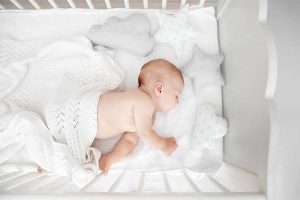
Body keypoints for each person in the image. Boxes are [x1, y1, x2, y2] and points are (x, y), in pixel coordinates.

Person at [97, 58, 184, 174]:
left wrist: (109, 159)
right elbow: (146, 134)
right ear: (159, 89)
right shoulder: (142, 100)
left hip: (88, 130)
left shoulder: (146, 117)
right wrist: (163, 144)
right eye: (177, 96)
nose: (178, 102)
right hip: (86, 113)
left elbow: (130, 140)